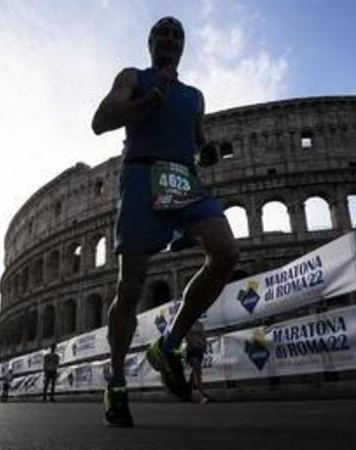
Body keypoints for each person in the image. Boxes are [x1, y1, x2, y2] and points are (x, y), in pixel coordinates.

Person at [92, 16, 238, 427]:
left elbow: (199, 141)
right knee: (130, 285)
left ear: (183, 46)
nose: (170, 39)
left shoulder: (194, 95)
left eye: (177, 34)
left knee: (226, 252)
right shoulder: (132, 76)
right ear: (151, 42)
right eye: (163, 33)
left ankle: (169, 344)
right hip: (140, 177)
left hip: (182, 180)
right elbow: (100, 121)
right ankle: (116, 381)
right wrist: (144, 102)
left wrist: (206, 154)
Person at [185, 320, 211, 404]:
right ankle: (201, 396)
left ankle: (188, 390)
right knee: (197, 370)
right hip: (192, 350)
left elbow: (204, 336)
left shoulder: (200, 324)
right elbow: (188, 337)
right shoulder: (187, 324)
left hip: (200, 350)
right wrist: (195, 344)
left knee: (197, 373)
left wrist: (203, 345)